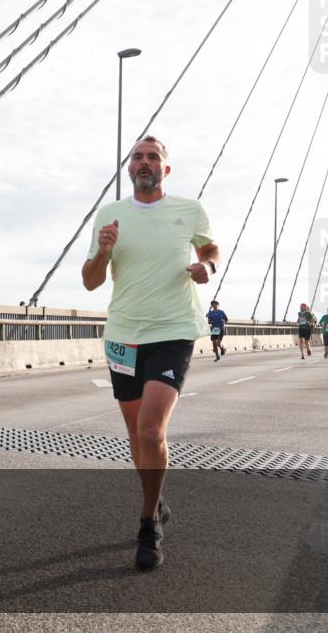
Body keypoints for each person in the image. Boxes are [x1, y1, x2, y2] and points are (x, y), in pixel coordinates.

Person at [83, 135, 219, 571]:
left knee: (149, 432)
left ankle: (147, 524)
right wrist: (103, 251)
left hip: (173, 330)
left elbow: (210, 248)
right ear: (129, 168)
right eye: (138, 157)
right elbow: (90, 281)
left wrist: (207, 266)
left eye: (153, 156)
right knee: (134, 434)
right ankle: (157, 500)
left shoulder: (188, 209)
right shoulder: (111, 215)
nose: (145, 162)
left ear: (166, 168)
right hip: (124, 335)